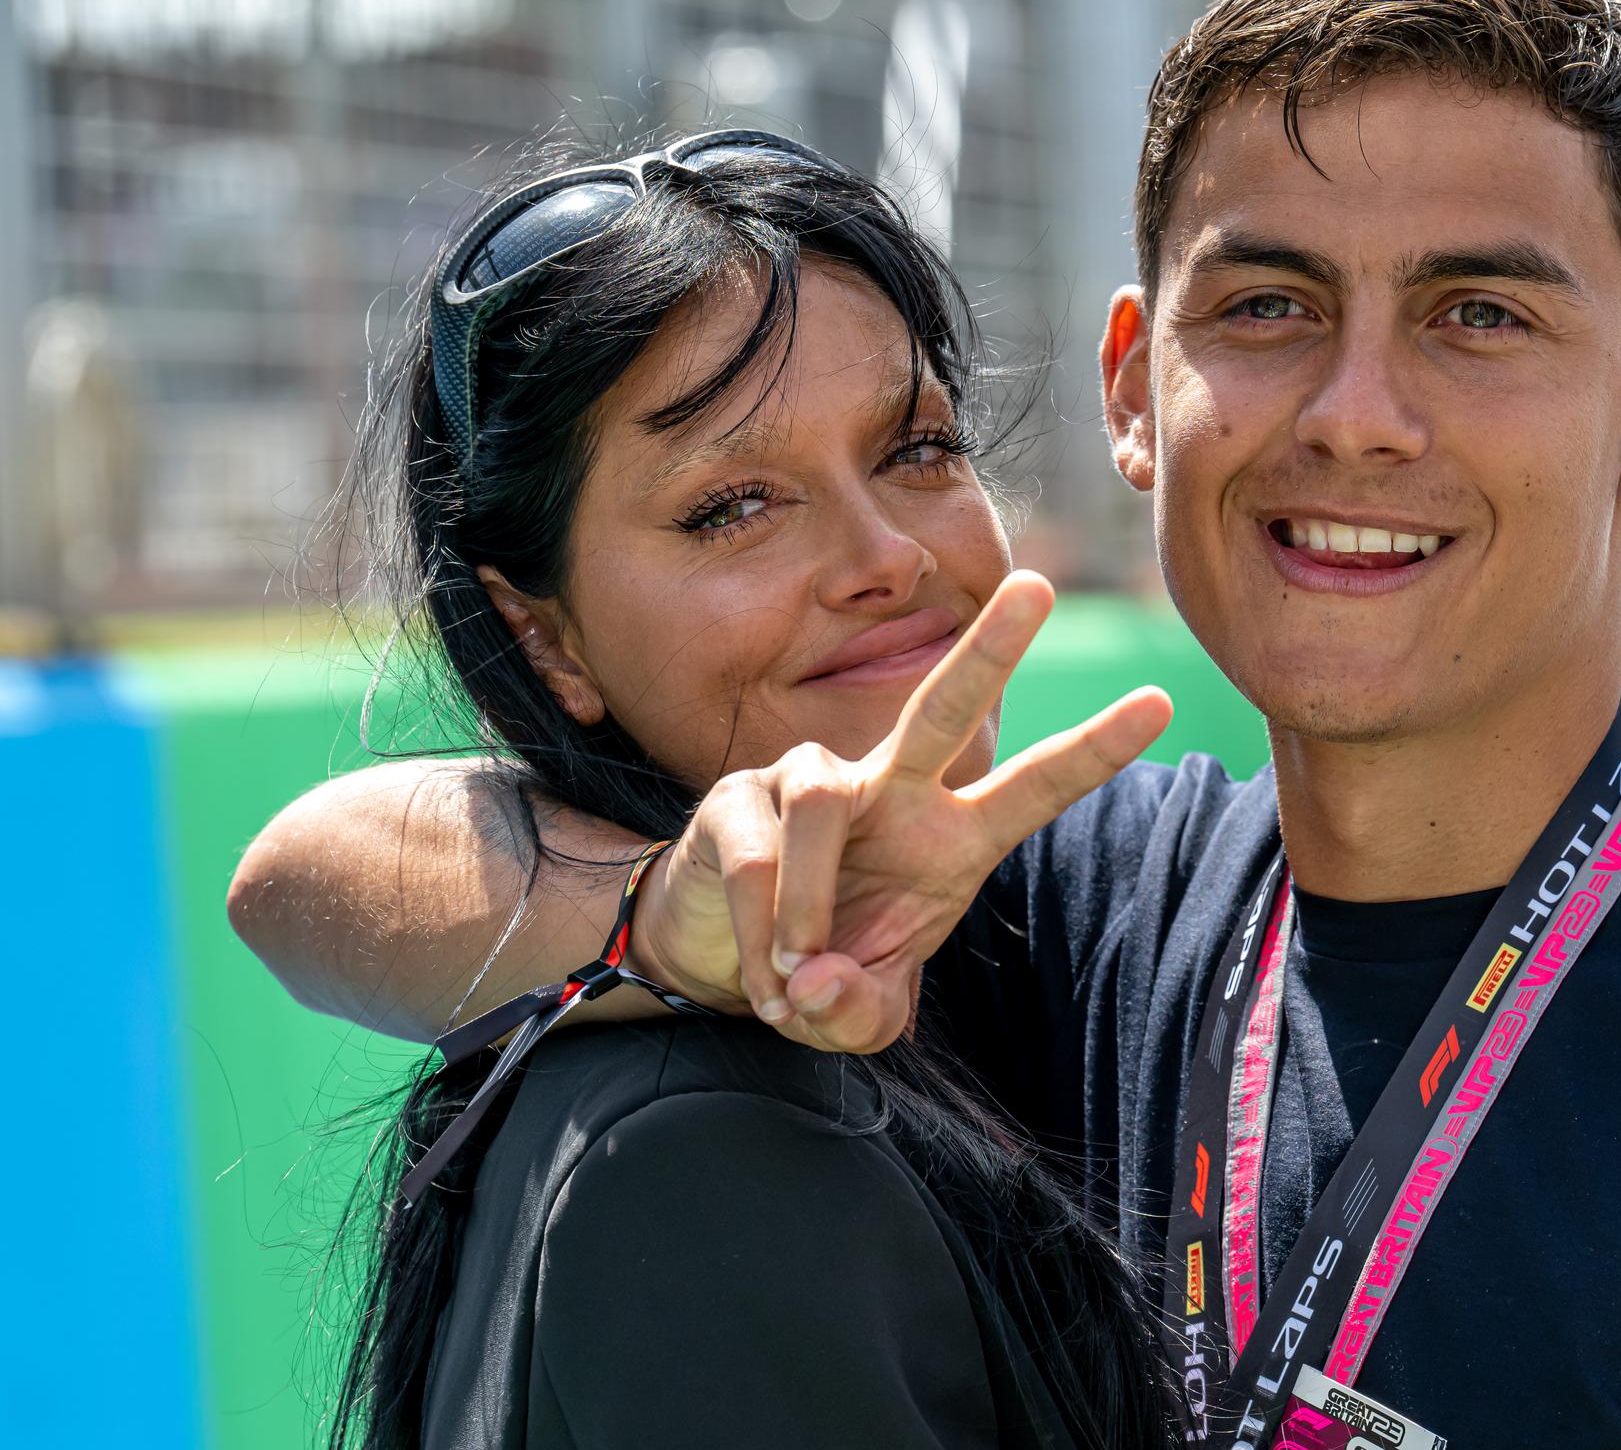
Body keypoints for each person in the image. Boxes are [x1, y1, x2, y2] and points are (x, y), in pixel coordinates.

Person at [238, 0, 1621, 1445]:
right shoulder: (1049, 916)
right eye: (1271, 307)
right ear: (1137, 389)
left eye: (1480, 312)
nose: (1356, 416)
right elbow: (315, 864)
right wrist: (671, 924)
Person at [304, 129, 1184, 1449]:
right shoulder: (705, 1154)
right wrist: (663, 922)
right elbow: (288, 877)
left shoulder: (997, 944)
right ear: (545, 636)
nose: (885, 555)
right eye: (733, 506)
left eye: (918, 450)